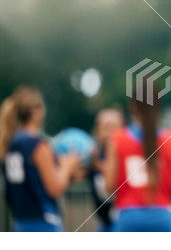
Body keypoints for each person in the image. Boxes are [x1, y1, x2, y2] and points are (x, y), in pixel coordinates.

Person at [104, 80, 171, 232]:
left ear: (132, 106)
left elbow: (109, 185)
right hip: (164, 219)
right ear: (158, 105)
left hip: (128, 219)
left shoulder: (117, 139)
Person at [0, 86, 80, 232]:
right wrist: (67, 166)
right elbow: (55, 188)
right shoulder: (38, 146)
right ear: (36, 112)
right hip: (43, 223)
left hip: (20, 223)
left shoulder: (10, 145)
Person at [88, 108, 125, 232]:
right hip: (104, 223)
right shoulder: (94, 154)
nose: (106, 133)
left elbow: (118, 176)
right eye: (102, 127)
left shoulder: (126, 154)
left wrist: (99, 166)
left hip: (123, 221)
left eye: (111, 127)